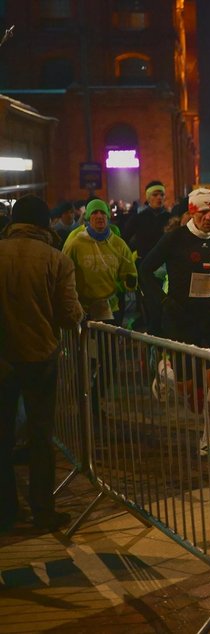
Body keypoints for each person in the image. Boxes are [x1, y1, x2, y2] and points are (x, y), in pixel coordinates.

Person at [0, 196, 84, 532]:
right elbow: (69, 315)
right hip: (40, 359)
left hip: (2, 359)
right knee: (40, 437)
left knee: (2, 438)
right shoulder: (56, 259)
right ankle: (42, 511)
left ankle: (5, 511)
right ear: (43, 224)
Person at [140, 188, 210, 459]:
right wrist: (162, 300)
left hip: (209, 320)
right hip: (180, 319)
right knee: (190, 394)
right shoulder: (174, 239)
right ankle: (165, 372)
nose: (209, 217)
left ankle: (209, 439)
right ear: (192, 212)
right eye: (203, 212)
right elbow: (145, 269)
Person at [63, 198, 137, 323]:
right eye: (94, 213)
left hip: (112, 307)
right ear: (88, 217)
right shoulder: (75, 243)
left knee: (110, 342)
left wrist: (128, 282)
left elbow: (129, 270)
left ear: (108, 216)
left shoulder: (118, 243)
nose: (99, 216)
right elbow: (64, 270)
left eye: (102, 213)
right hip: (84, 309)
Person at [123, 180, 171, 335]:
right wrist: (132, 257)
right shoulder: (140, 218)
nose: (159, 198)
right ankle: (152, 340)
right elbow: (123, 239)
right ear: (148, 197)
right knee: (152, 306)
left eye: (161, 194)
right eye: (155, 194)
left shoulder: (170, 218)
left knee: (165, 306)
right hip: (145, 268)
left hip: (167, 269)